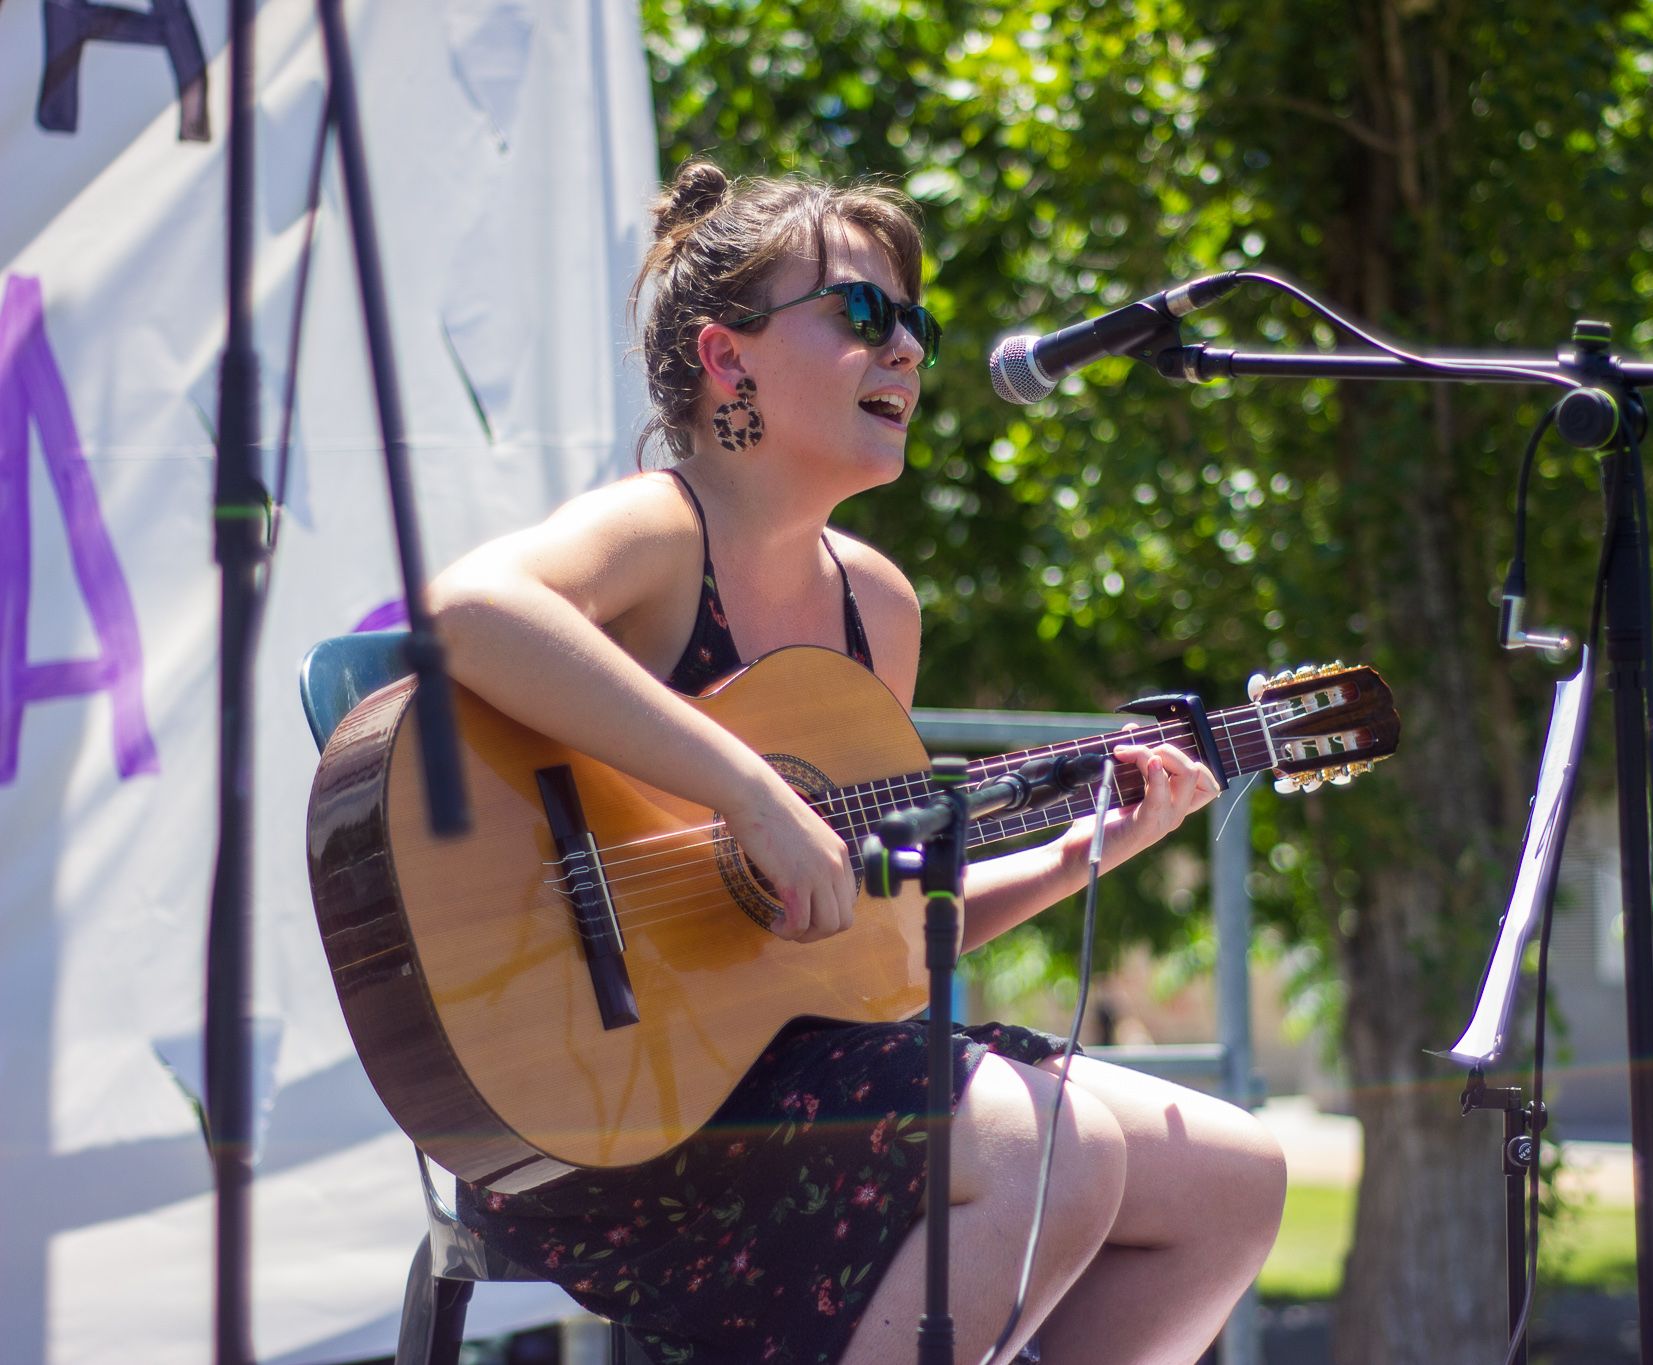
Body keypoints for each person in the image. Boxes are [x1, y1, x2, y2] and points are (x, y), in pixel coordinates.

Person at [423, 159, 1287, 1365]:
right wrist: (750, 796)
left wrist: (1072, 856)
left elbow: (867, 930)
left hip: (814, 1077)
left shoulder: (873, 605)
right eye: (862, 316)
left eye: (915, 324)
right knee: (1044, 1146)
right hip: (612, 1113)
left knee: (1234, 1179)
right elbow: (464, 613)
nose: (908, 354)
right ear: (731, 361)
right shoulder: (659, 533)